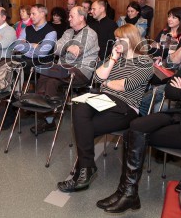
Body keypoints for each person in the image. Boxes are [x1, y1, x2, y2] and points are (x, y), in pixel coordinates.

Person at [97, 19, 181, 214]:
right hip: (179, 113)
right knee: (135, 127)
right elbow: (170, 90)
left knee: (136, 135)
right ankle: (127, 192)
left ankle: (128, 193)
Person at [57, 24, 153, 192]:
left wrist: (107, 83)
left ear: (130, 39)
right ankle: (86, 169)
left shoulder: (145, 61)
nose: (116, 42)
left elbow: (126, 85)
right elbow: (97, 76)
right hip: (105, 100)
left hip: (126, 107)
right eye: (115, 38)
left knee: (84, 127)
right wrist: (113, 59)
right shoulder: (117, 58)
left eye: (119, 39)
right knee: (79, 108)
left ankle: (82, 173)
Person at [34, 6, 99, 134]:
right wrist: (68, 47)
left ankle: (47, 115)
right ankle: (44, 113)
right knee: (45, 75)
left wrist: (66, 48)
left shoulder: (90, 34)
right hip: (61, 69)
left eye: (71, 16)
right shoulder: (68, 32)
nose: (68, 18)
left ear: (81, 18)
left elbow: (76, 53)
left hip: (81, 71)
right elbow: (55, 48)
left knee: (52, 75)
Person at [13, 4, 57, 74]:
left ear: (42, 14)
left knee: (17, 66)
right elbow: (17, 45)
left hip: (41, 64)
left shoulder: (51, 32)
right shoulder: (26, 29)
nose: (30, 16)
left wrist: (25, 45)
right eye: (30, 14)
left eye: (33, 14)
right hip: (25, 62)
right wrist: (33, 45)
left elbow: (41, 53)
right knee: (9, 63)